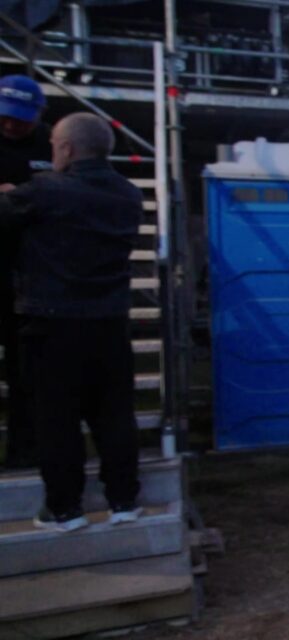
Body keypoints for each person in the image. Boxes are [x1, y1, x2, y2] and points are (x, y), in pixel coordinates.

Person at [0, 112, 143, 532]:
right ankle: (123, 500)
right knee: (115, 414)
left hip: (52, 322)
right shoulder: (129, 194)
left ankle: (64, 508)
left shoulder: (43, 192)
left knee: (56, 418)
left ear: (64, 148)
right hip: (111, 321)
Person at [0, 74, 52, 469]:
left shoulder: (52, 143)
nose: (11, 125)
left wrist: (15, 197)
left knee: (27, 374)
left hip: (34, 275)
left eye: (20, 118)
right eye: (5, 116)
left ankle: (24, 452)